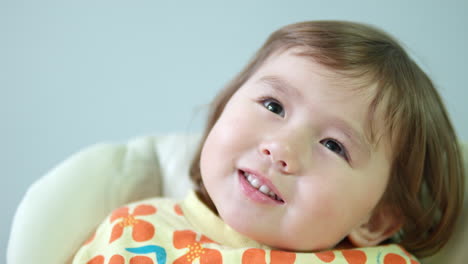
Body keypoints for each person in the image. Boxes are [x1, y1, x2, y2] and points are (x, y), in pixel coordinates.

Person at [72, 20, 465, 264]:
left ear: (374, 218)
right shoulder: (133, 231)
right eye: (273, 105)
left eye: (332, 145)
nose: (280, 149)